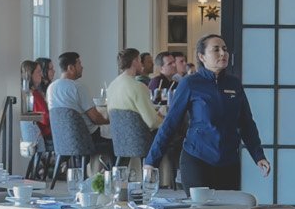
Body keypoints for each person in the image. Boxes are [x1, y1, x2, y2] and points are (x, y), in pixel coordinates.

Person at [148, 33, 269, 191]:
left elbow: (246, 123)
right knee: (200, 207)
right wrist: (151, 161)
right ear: (202, 56)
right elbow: (170, 123)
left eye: (225, 49)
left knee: (228, 207)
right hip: (197, 158)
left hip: (229, 162)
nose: (223, 53)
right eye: (216, 49)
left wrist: (258, 155)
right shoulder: (190, 83)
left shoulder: (234, 84)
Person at [46, 51, 107, 167]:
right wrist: (109, 120)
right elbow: (95, 118)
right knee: (116, 142)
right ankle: (110, 174)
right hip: (85, 138)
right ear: (71, 67)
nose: (82, 67)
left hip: (61, 139)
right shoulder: (78, 87)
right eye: (79, 63)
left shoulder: (51, 88)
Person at [105, 47, 162, 131]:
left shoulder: (111, 86)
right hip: (141, 137)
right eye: (140, 61)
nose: (142, 65)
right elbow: (152, 122)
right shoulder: (139, 87)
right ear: (135, 61)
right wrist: (164, 118)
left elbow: (108, 116)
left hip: (119, 137)